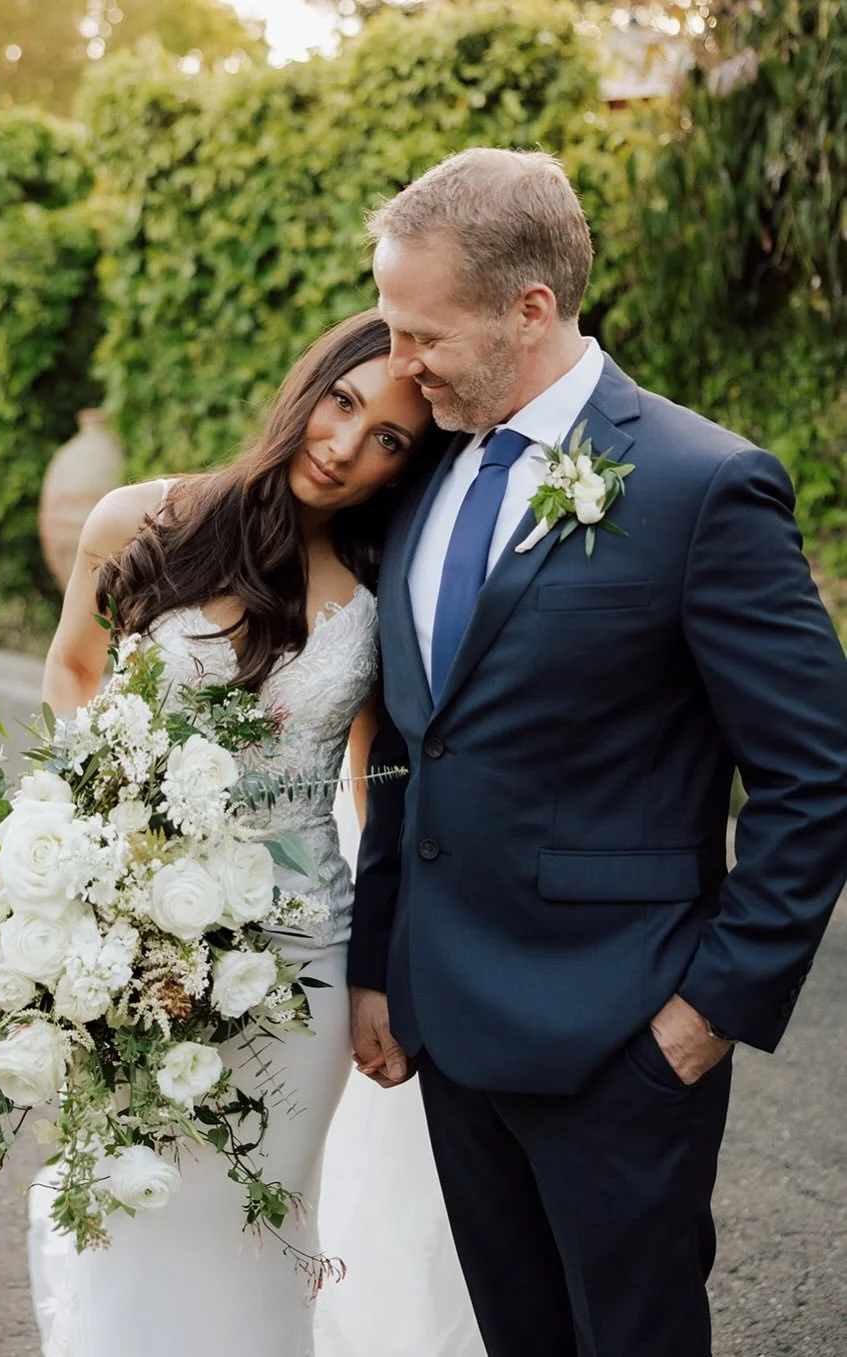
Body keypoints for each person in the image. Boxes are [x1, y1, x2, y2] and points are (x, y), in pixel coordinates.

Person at [348, 146, 847, 1357]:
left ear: (531, 308)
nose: (398, 366)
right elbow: (420, 745)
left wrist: (703, 1016)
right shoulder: (424, 475)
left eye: (424, 336)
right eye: (391, 329)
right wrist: (381, 960)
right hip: (449, 1033)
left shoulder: (703, 486)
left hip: (624, 1042)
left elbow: (815, 772)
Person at [28, 309, 476, 1357]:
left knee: (258, 1222)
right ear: (307, 384)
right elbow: (72, 672)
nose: (346, 447)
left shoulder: (377, 591)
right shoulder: (143, 522)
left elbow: (378, 777)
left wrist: (379, 965)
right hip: (136, 944)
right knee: (135, 1210)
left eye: (390, 441)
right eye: (345, 403)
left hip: (300, 964)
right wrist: (87, 842)